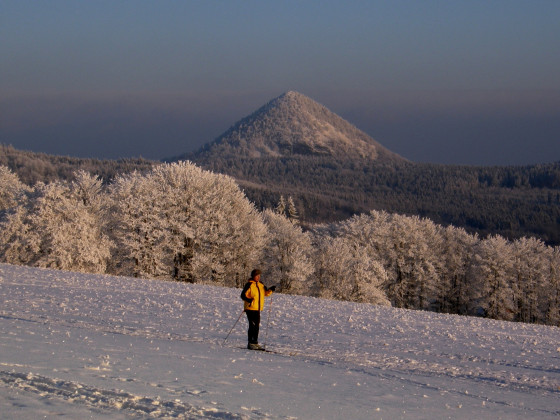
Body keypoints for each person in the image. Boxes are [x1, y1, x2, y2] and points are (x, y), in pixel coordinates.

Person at [240, 269, 276, 350]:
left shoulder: (261, 285)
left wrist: (271, 290)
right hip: (250, 308)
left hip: (257, 309)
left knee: (256, 326)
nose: (258, 277)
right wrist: (249, 300)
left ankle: (255, 343)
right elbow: (243, 295)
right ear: (253, 276)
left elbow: (265, 293)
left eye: (259, 275)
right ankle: (251, 343)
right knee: (252, 325)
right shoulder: (249, 285)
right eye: (257, 275)